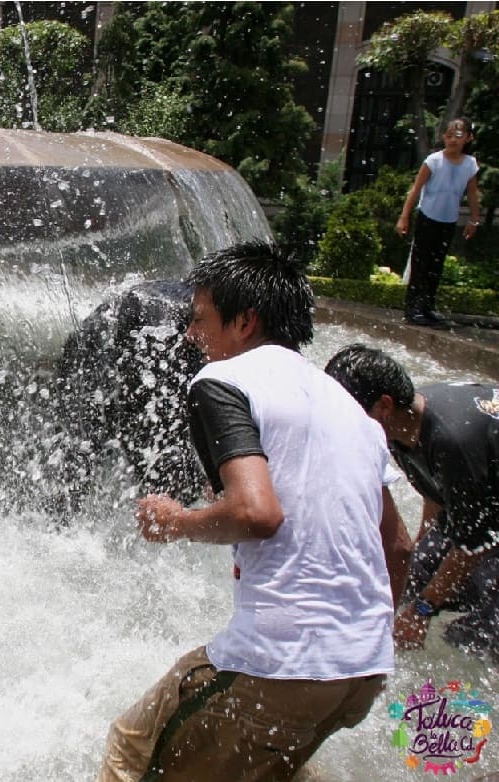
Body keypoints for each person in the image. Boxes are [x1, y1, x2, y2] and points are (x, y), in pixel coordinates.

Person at [100, 242, 398, 782]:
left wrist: (174, 521)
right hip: (363, 669)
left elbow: (256, 512)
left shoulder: (224, 381)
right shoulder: (348, 406)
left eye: (199, 319)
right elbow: (397, 545)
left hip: (281, 663)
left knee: (131, 750)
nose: (190, 335)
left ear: (244, 321)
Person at [325, 344, 498, 662]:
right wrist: (420, 547)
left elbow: (475, 544)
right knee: (410, 575)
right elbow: (435, 493)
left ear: (384, 405)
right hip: (484, 511)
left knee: (471, 637)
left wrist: (423, 609)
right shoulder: (402, 427)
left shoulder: (452, 440)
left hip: (487, 529)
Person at [396, 117, 483, 328]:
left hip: (448, 220)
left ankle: (427, 306)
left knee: (436, 265)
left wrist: (474, 220)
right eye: (449, 135)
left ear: (468, 138)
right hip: (427, 217)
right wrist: (404, 217)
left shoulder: (470, 164)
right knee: (420, 263)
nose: (453, 140)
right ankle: (412, 309)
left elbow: (472, 193)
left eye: (458, 136)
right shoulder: (433, 160)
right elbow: (415, 190)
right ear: (444, 136)